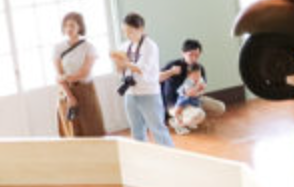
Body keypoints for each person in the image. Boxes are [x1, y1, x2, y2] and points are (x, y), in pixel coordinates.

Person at [111, 13, 173, 147]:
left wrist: (125, 62)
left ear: (141, 29)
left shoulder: (150, 46)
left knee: (158, 129)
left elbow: (141, 69)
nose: (127, 35)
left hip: (148, 93)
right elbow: (119, 70)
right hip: (130, 93)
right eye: (125, 32)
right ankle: (142, 159)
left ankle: (171, 158)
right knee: (136, 131)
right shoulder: (125, 46)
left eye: (131, 32)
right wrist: (117, 62)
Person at [54, 11, 103, 138]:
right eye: (66, 26)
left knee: (92, 126)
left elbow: (84, 72)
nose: (69, 29)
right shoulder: (58, 48)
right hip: (65, 91)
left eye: (72, 25)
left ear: (79, 27)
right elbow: (58, 74)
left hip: (85, 90)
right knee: (72, 130)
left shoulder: (89, 47)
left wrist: (65, 77)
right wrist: (69, 96)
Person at [169, 61, 225, 132]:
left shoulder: (200, 79)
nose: (197, 78)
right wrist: (197, 88)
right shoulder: (188, 82)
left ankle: (191, 121)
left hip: (195, 99)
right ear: (189, 76)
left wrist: (202, 87)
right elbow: (189, 93)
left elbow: (203, 87)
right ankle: (177, 121)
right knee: (179, 109)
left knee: (198, 107)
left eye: (199, 75)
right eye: (194, 76)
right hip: (185, 98)